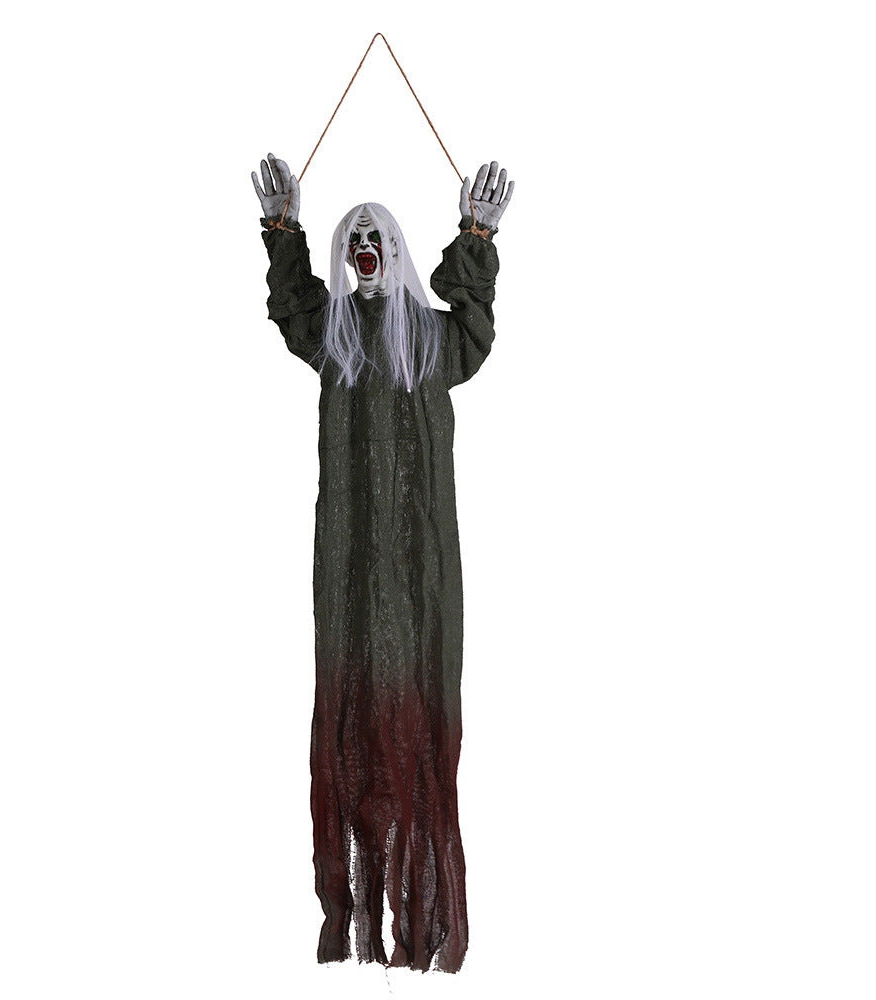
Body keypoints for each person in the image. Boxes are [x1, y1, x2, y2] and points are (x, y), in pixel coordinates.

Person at [252, 153, 512, 974]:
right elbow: (295, 307)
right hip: (351, 567)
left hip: (423, 568)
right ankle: (361, 900)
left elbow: (474, 332)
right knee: (358, 703)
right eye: (354, 238)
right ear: (349, 254)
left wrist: (476, 236)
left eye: (376, 236)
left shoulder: (430, 339)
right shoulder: (334, 340)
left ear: (395, 249)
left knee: (416, 706)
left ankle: (421, 901)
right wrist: (283, 229)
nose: (365, 246)